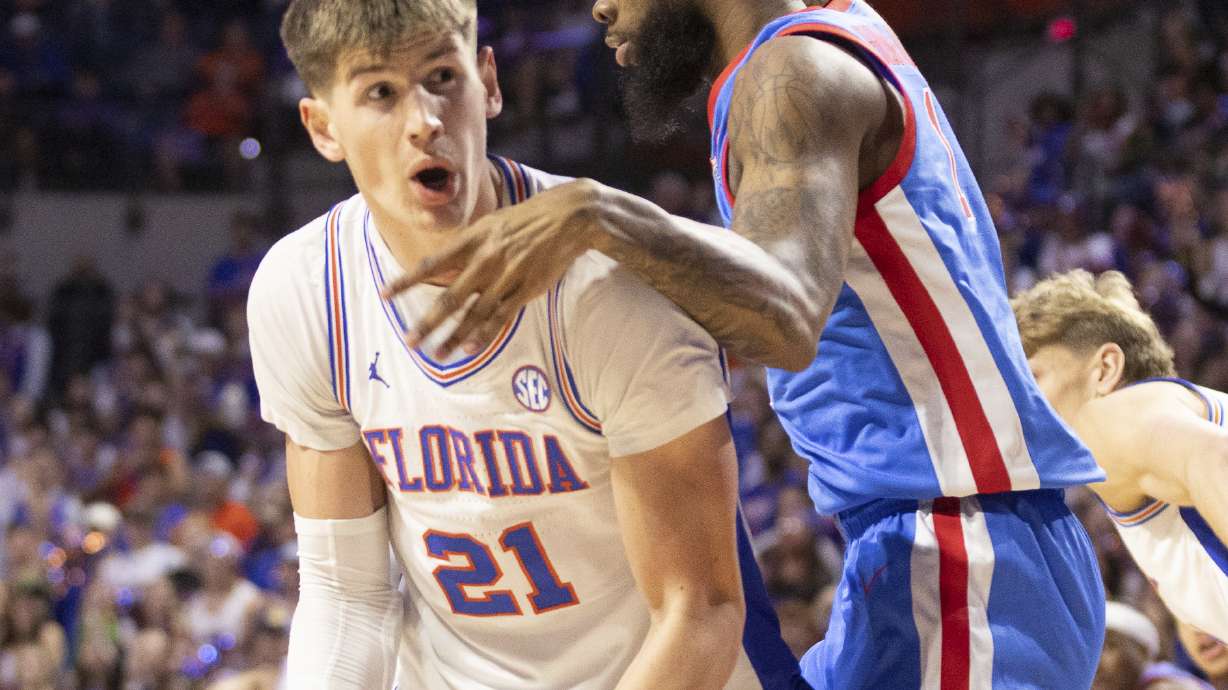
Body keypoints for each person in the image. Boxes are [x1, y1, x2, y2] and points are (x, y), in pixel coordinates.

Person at [382, 0, 1107, 687]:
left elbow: (785, 317)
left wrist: (595, 213)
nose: (599, 9)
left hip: (962, 556)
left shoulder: (795, 72)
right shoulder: (815, 43)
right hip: (926, 551)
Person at [249, 1, 802, 688]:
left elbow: (702, 613)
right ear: (324, 127)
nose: (424, 122)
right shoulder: (305, 289)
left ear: (488, 83)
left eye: (442, 79)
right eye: (381, 94)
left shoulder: (610, 284)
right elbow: (348, 597)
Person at [1013, 269, 1228, 642]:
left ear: (1106, 369)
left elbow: (1214, 456)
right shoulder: (1150, 430)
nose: (1014, 408)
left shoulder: (1113, 418)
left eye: (1031, 380)